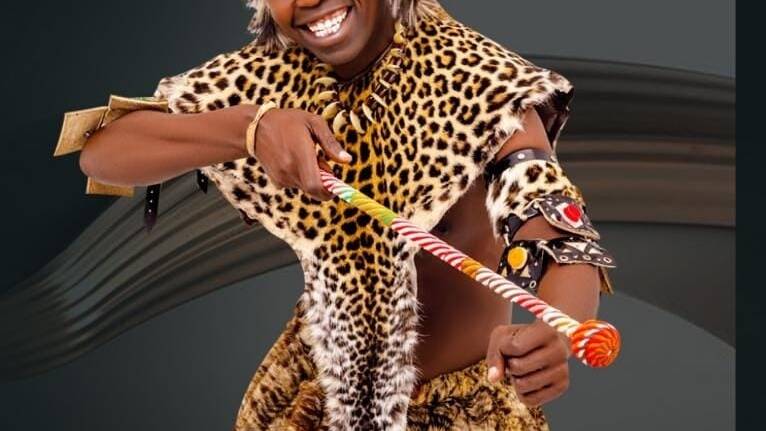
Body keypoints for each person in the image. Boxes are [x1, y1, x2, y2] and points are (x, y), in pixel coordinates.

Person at [56, 0, 616, 429]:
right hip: (309, 388)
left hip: (459, 410)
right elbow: (104, 152)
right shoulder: (269, 74)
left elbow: (562, 240)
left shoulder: (480, 81)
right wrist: (251, 127)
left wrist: (554, 333)